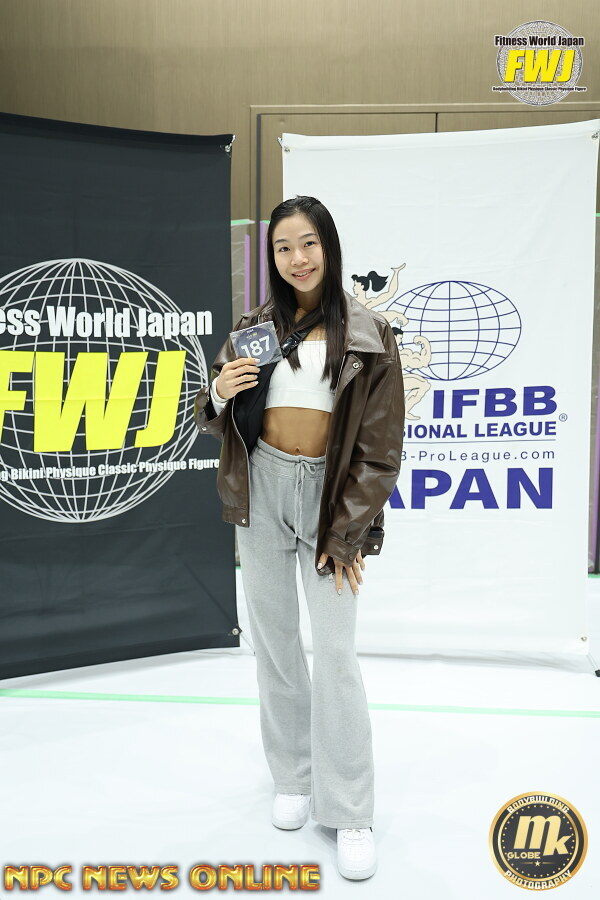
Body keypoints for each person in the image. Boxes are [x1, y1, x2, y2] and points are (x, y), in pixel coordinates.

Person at [194, 196, 405, 881]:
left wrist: (345, 534)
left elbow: (380, 452)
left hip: (327, 500)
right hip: (259, 487)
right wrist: (218, 391)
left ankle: (350, 808)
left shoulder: (369, 333)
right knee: (276, 644)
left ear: (329, 247)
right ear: (272, 257)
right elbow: (211, 418)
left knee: (335, 653)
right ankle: (292, 775)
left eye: (308, 243)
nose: (297, 259)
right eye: (283, 247)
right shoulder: (253, 329)